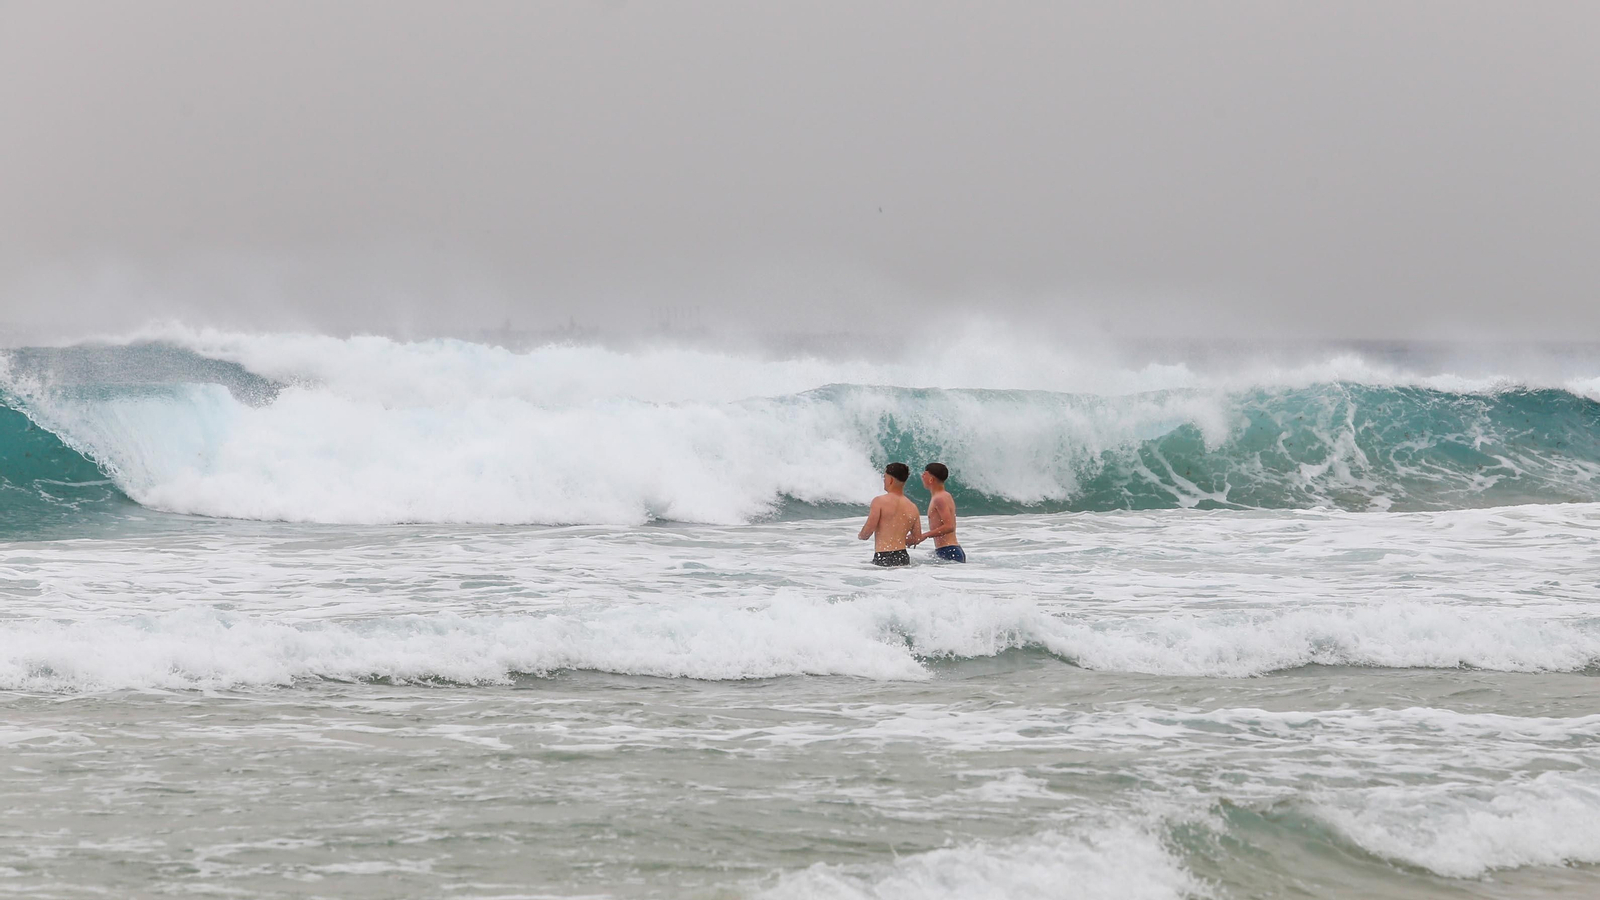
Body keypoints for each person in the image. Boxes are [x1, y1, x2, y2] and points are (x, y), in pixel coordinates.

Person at [858, 462, 922, 567]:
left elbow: (867, 532)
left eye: (885, 477)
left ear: (890, 480)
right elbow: (917, 538)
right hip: (903, 556)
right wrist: (899, 539)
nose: (884, 481)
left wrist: (860, 536)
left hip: (884, 556)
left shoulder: (879, 501)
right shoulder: (912, 506)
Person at [911, 462, 965, 562]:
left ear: (931, 479)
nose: (922, 476)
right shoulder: (945, 495)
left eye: (925, 474)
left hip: (949, 551)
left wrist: (924, 536)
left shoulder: (939, 498)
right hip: (949, 550)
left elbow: (949, 526)